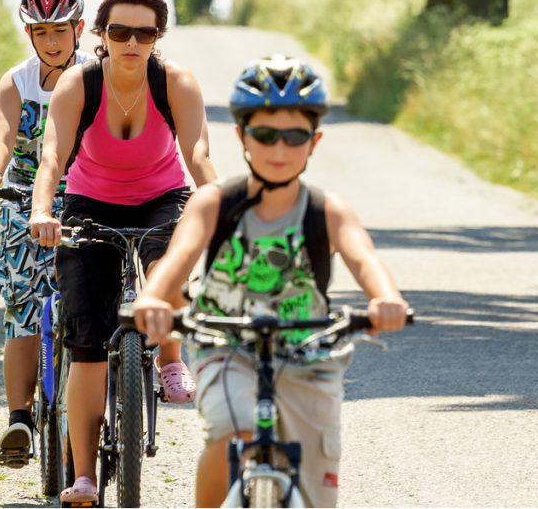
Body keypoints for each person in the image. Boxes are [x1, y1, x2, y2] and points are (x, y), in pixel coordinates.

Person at [132, 55, 410, 507]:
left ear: (314, 142)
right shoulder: (213, 204)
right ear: (241, 136)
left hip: (309, 353)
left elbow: (365, 258)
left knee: (318, 490)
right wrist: (152, 300)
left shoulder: (326, 210)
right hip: (226, 346)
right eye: (264, 135)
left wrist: (386, 298)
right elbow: (176, 259)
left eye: (294, 137)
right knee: (231, 430)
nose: (278, 149)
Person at [29, 0, 218, 504]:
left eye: (144, 32)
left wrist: (223, 204)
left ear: (158, 36)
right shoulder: (78, 85)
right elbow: (53, 158)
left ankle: (170, 356)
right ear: (101, 33)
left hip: (162, 197)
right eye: (120, 31)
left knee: (170, 264)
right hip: (90, 204)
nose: (131, 42)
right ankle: (83, 475)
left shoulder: (174, 82)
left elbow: (198, 156)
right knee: (87, 341)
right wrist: (43, 211)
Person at [0, 0, 88, 467]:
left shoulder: (94, 75)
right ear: (30, 35)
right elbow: (2, 135)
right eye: (41, 31)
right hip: (22, 196)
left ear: (79, 29)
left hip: (86, 195)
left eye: (60, 29)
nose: (52, 40)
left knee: (96, 298)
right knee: (21, 307)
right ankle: (19, 418)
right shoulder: (16, 81)